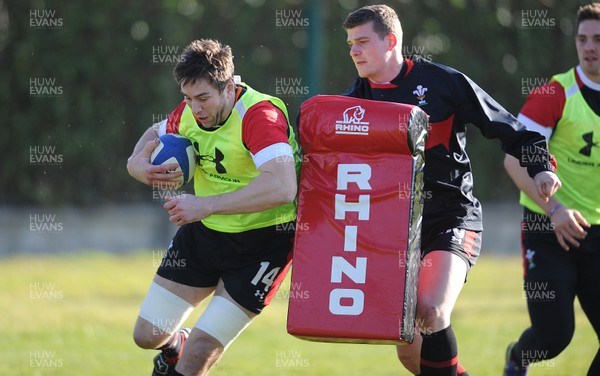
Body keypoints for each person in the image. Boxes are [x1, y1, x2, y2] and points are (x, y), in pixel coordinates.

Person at [340, 5, 561, 376]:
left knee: (431, 309)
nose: (354, 51)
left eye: (362, 41)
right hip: (391, 232)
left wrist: (539, 167)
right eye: (349, 44)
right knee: (409, 348)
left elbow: (507, 127)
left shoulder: (443, 82)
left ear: (391, 41)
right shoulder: (353, 104)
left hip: (451, 216)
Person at [126, 39, 300, 376]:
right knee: (147, 335)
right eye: (188, 98)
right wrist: (135, 163)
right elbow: (154, 132)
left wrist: (204, 205)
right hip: (205, 234)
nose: (195, 108)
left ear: (229, 86)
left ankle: (189, 351)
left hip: (265, 244)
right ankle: (175, 345)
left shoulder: (259, 116)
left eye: (203, 98)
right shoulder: (189, 113)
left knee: (201, 352)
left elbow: (282, 187)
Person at [502, 4, 600, 375]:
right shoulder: (554, 92)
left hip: (596, 232)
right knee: (554, 336)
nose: (589, 47)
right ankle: (517, 358)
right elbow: (514, 159)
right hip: (548, 230)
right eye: (582, 39)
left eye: (598, 39)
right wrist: (556, 209)